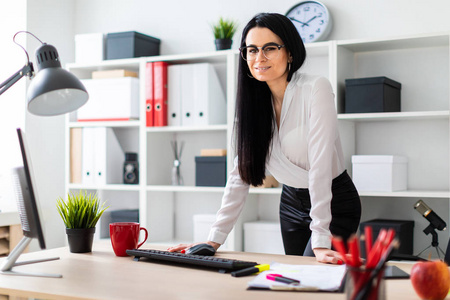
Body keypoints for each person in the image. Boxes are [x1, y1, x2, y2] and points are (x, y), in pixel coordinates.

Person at [169, 12, 361, 264]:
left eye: (270, 48)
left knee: (319, 274)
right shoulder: (252, 104)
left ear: (290, 52)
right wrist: (213, 239)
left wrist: (321, 239)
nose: (259, 58)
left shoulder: (316, 88)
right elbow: (240, 175)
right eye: (252, 50)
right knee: (294, 280)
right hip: (291, 203)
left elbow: (320, 167)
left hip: (335, 201)